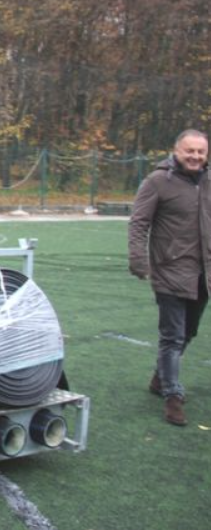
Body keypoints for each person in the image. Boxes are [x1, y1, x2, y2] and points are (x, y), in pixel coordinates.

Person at [129, 129, 211, 426]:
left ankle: (159, 378)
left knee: (188, 332)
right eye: (190, 151)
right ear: (177, 151)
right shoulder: (157, 181)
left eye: (201, 152)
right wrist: (138, 261)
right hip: (170, 271)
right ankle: (172, 396)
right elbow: (139, 223)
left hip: (203, 274)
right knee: (172, 336)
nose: (195, 156)